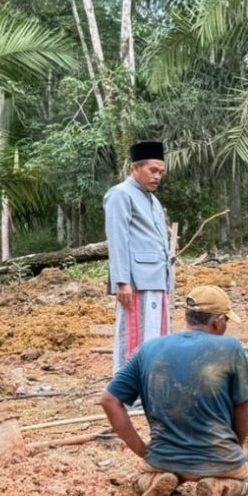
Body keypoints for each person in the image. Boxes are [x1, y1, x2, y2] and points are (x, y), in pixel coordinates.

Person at [99, 285, 248, 496]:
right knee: (244, 482)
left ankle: (155, 481)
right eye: (226, 320)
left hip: (164, 458)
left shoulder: (149, 348)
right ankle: (218, 487)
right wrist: (238, 446)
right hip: (220, 461)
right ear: (216, 321)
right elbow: (243, 409)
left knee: (142, 478)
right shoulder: (230, 348)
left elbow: (109, 400)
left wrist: (143, 450)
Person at [105, 141, 172, 374]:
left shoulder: (153, 200)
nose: (157, 177)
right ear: (136, 168)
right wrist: (121, 281)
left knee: (157, 336)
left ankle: (151, 385)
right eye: (152, 170)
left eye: (160, 172)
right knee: (133, 338)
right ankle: (128, 390)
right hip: (135, 281)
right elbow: (117, 240)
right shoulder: (120, 195)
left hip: (157, 277)